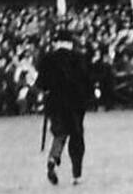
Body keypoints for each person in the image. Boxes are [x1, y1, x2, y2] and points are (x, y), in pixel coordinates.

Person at [36, 23, 92, 185]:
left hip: (55, 102)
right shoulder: (78, 57)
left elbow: (41, 84)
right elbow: (86, 80)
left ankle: (53, 158)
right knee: (76, 137)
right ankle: (77, 175)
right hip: (75, 103)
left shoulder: (47, 59)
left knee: (59, 134)